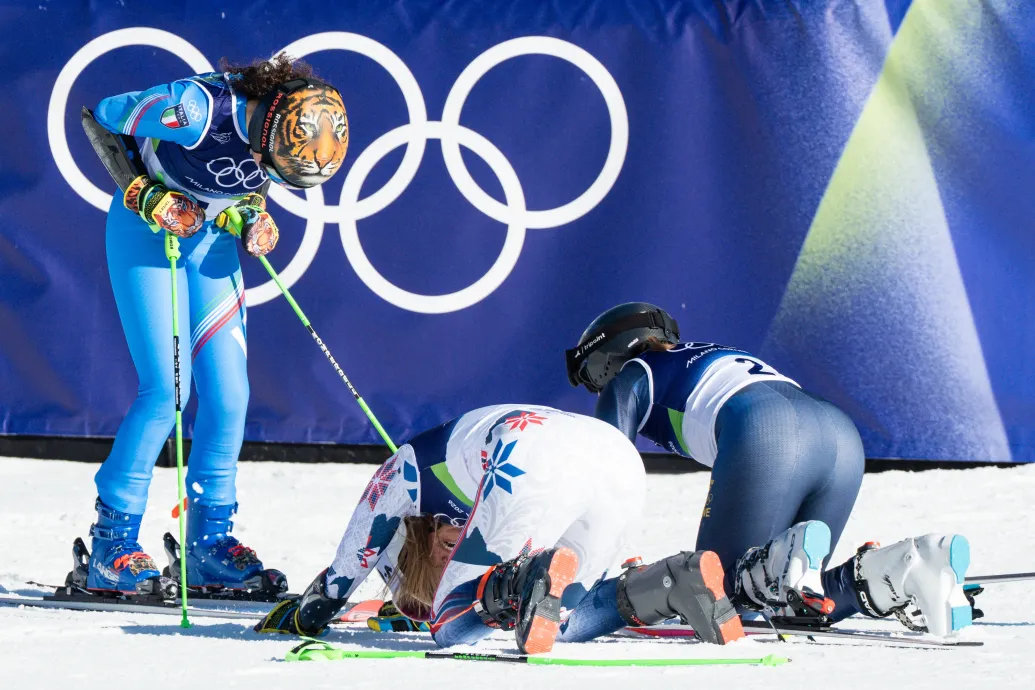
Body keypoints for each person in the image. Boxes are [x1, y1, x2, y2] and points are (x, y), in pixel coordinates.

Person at [85, 55, 349, 595]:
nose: (272, 176)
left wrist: (251, 209)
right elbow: (102, 118)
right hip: (147, 236)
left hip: (211, 242)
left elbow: (252, 175)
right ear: (268, 125)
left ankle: (209, 544)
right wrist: (147, 193)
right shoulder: (194, 110)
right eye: (273, 166)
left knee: (229, 396)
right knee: (167, 392)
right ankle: (112, 543)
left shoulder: (279, 126)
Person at [565, 302, 972, 636]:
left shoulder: (631, 375)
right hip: (840, 437)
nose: (598, 388)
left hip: (766, 430)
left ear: (607, 356)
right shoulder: (702, 351)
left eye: (592, 375)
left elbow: (604, 473)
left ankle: (816, 569)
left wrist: (574, 585)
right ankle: (905, 568)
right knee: (792, 596)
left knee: (715, 595)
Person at [255, 405, 746, 653]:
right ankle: (672, 582)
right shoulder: (457, 494)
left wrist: (309, 611)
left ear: (412, 542)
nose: (454, 560)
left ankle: (523, 579)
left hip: (534, 453)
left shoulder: (403, 477)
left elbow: (352, 556)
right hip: (617, 457)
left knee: (451, 628)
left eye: (440, 559)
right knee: (558, 621)